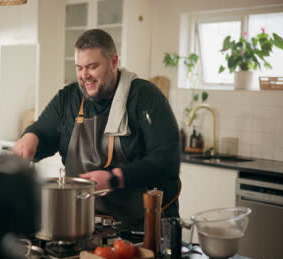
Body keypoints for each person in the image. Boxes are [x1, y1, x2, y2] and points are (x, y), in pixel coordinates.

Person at [13, 29, 180, 230]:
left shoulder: (145, 97)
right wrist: (31, 138)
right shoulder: (68, 98)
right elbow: (43, 131)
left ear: (114, 61)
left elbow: (166, 161)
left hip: (145, 225)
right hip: (85, 222)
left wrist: (115, 178)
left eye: (92, 66)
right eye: (79, 68)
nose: (84, 76)